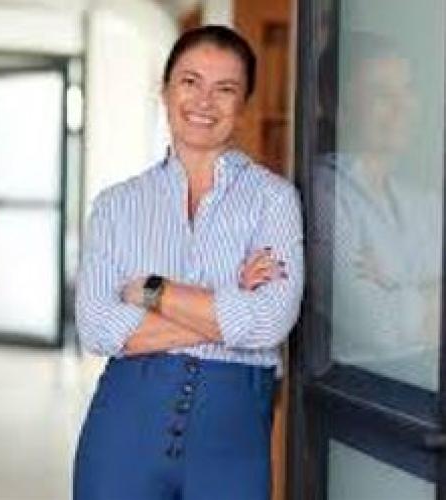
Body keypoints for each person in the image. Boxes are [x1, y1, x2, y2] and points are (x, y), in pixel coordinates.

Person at [73, 25, 304, 500]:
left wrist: (151, 291)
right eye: (190, 81)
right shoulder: (116, 205)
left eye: (226, 89)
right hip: (122, 433)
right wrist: (231, 305)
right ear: (165, 91)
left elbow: (270, 323)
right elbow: (96, 327)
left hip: (233, 439)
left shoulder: (275, 200)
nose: (204, 101)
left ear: (244, 104)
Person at [312, 32, 441, 387]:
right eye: (381, 94)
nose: (403, 106)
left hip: (426, 388)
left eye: (407, 89)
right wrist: (423, 286)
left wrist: (395, 285)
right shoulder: (322, 197)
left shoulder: (422, 201)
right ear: (336, 106)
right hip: (360, 399)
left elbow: (394, 319)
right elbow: (377, 326)